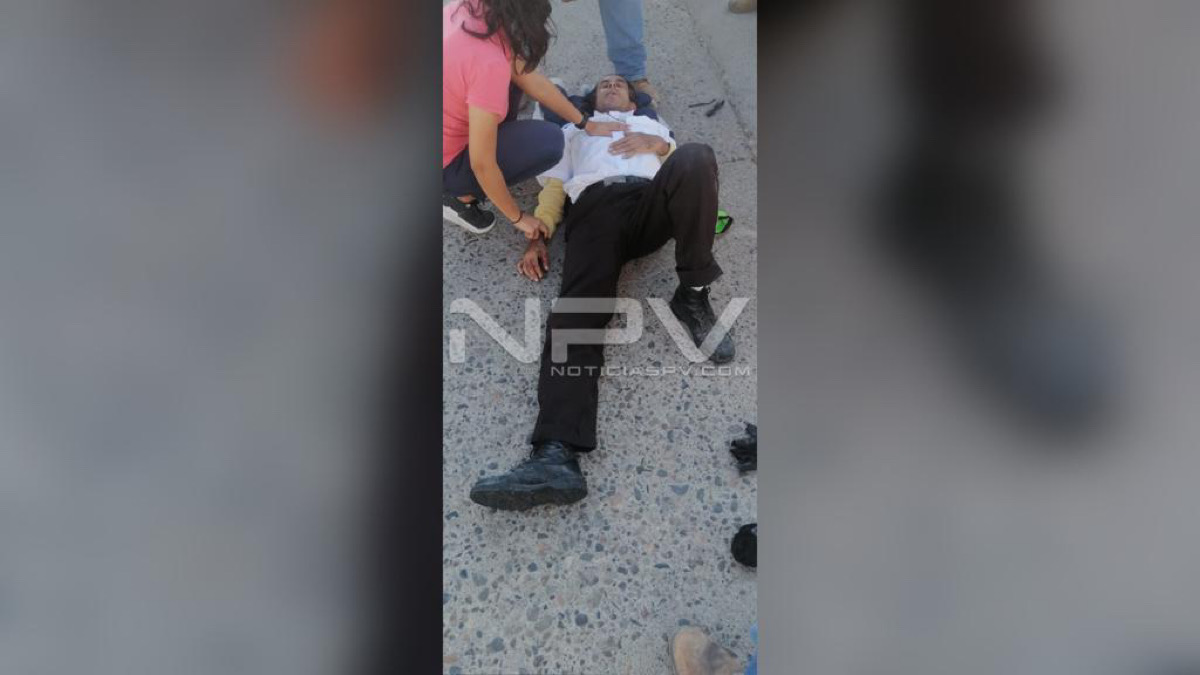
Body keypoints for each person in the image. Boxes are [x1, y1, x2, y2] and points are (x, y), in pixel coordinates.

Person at [468, 75, 735, 511]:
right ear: (591, 101)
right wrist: (539, 235)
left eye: (619, 84)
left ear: (633, 100)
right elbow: (555, 189)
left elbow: (692, 178)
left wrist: (660, 146)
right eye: (603, 84)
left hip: (650, 207)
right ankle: (556, 455)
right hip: (595, 212)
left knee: (697, 155)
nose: (611, 86)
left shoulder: (653, 127)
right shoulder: (575, 132)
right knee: (576, 315)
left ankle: (692, 294)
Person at [442, 0, 627, 235]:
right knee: (548, 142)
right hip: (444, 162)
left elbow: (528, 77)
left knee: (511, 78)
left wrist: (585, 123)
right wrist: (518, 217)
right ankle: (457, 196)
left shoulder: (472, 6)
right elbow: (482, 163)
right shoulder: (488, 63)